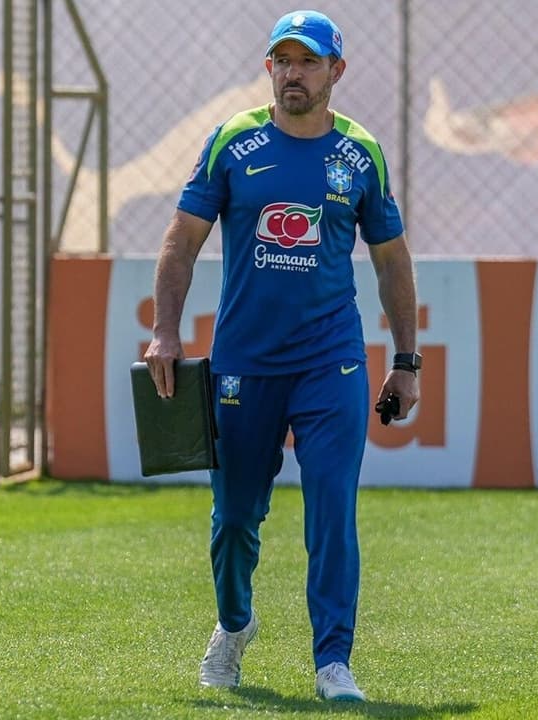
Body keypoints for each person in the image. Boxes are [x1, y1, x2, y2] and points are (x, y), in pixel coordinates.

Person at [142, 8, 420, 703]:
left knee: (332, 507)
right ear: (270, 67)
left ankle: (334, 662)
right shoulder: (232, 143)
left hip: (333, 363)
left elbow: (391, 262)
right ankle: (234, 625)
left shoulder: (361, 154)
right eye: (282, 60)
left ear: (336, 72)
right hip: (244, 363)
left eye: (307, 61)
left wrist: (407, 361)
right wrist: (166, 332)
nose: (292, 73)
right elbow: (181, 241)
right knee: (235, 517)